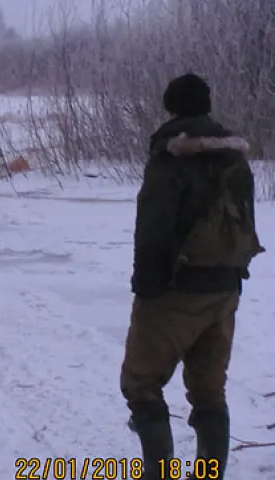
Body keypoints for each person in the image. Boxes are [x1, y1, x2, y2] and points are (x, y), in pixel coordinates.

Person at [120, 73, 263, 480]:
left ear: (171, 108)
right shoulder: (236, 159)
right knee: (208, 389)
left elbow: (153, 226)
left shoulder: (170, 159)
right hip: (225, 288)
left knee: (140, 384)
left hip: (175, 290)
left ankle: (159, 474)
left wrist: (146, 284)